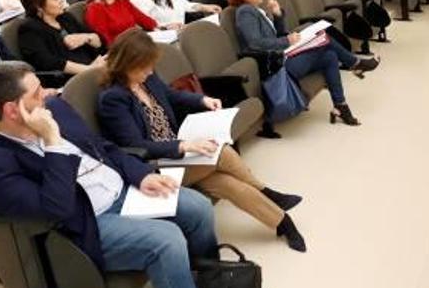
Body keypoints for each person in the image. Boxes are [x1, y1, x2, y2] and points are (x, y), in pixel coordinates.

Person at [0, 61, 217, 288]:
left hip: (121, 190)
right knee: (167, 240)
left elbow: (101, 146)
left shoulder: (55, 107)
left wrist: (140, 175)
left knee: (199, 207)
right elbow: (56, 208)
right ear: (12, 110)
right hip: (85, 224)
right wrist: (52, 142)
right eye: (37, 93)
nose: (47, 94)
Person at [96, 28, 306, 251]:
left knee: (229, 184)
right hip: (156, 167)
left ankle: (282, 222)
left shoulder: (146, 78)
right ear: (126, 64)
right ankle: (266, 192)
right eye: (144, 67)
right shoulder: (112, 99)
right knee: (221, 151)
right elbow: (137, 146)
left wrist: (202, 100)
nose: (150, 71)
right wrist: (184, 146)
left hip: (179, 157)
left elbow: (171, 95)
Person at [230, 0, 378, 125]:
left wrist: (277, 14)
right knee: (324, 40)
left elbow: (277, 34)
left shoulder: (256, 9)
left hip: (284, 56)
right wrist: (287, 40)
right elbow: (255, 43)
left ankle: (341, 106)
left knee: (330, 56)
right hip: (276, 65)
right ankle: (354, 64)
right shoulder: (245, 11)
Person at [18, 0, 104, 75]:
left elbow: (98, 42)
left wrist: (86, 38)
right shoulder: (29, 29)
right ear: (38, 6)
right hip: (68, 80)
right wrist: (89, 70)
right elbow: (49, 62)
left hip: (93, 68)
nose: (61, 0)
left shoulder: (65, 17)